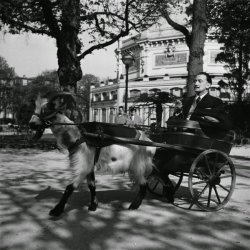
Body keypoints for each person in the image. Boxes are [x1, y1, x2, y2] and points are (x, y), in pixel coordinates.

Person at [154, 72, 233, 203]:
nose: (196, 83)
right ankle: (166, 183)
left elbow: (225, 123)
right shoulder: (187, 101)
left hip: (201, 141)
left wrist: (211, 119)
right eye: (195, 81)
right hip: (181, 139)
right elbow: (181, 119)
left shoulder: (215, 102)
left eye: (200, 81)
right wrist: (176, 115)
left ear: (208, 85)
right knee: (158, 156)